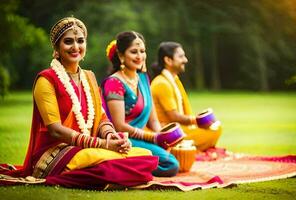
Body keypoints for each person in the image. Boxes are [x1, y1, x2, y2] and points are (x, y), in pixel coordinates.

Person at [0, 17, 158, 189]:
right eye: (68, 42)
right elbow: (55, 130)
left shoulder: (89, 77)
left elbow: (102, 118)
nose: (76, 47)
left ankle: (105, 175)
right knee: (111, 165)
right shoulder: (46, 79)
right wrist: (104, 144)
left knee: (145, 155)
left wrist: (111, 135)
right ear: (57, 48)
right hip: (56, 153)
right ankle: (106, 174)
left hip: (88, 149)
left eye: (80, 41)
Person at [101, 31, 179, 177]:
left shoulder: (143, 78)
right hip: (122, 140)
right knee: (170, 164)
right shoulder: (114, 83)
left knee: (172, 158)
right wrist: (153, 138)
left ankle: (129, 165)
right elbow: (119, 126)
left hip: (141, 138)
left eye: (142, 51)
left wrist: (162, 137)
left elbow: (153, 120)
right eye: (134, 52)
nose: (139, 56)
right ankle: (120, 164)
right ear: (121, 55)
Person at [150, 42, 222, 152]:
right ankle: (182, 150)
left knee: (215, 127)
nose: (185, 60)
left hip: (179, 128)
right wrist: (197, 121)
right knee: (215, 130)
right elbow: (174, 116)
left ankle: (187, 148)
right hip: (169, 133)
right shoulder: (162, 83)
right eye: (180, 56)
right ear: (168, 60)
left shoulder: (173, 80)